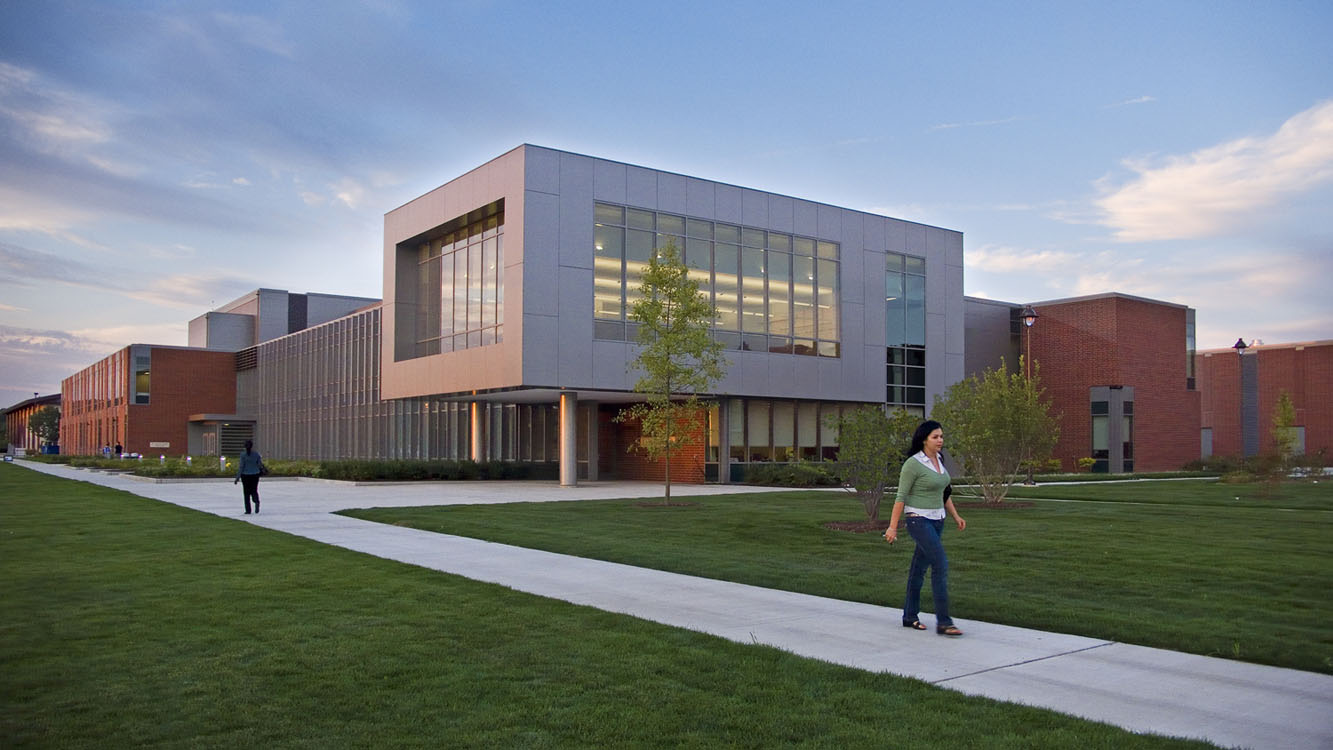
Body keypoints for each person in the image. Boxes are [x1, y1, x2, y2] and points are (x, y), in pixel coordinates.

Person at [885, 420, 967, 636]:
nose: (940, 440)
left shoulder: (939, 460)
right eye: (935, 437)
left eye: (941, 436)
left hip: (937, 520)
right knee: (940, 564)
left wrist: (956, 516)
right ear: (924, 439)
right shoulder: (913, 464)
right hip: (918, 520)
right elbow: (901, 497)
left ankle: (909, 616)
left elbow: (943, 493)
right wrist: (892, 527)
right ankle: (944, 622)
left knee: (918, 570)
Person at [233, 440, 266, 515]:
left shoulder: (243, 455)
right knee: (254, 490)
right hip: (255, 474)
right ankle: (256, 501)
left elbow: (241, 467)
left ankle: (248, 510)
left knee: (246, 492)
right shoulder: (256, 454)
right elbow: (260, 464)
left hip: (245, 475)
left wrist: (237, 477)